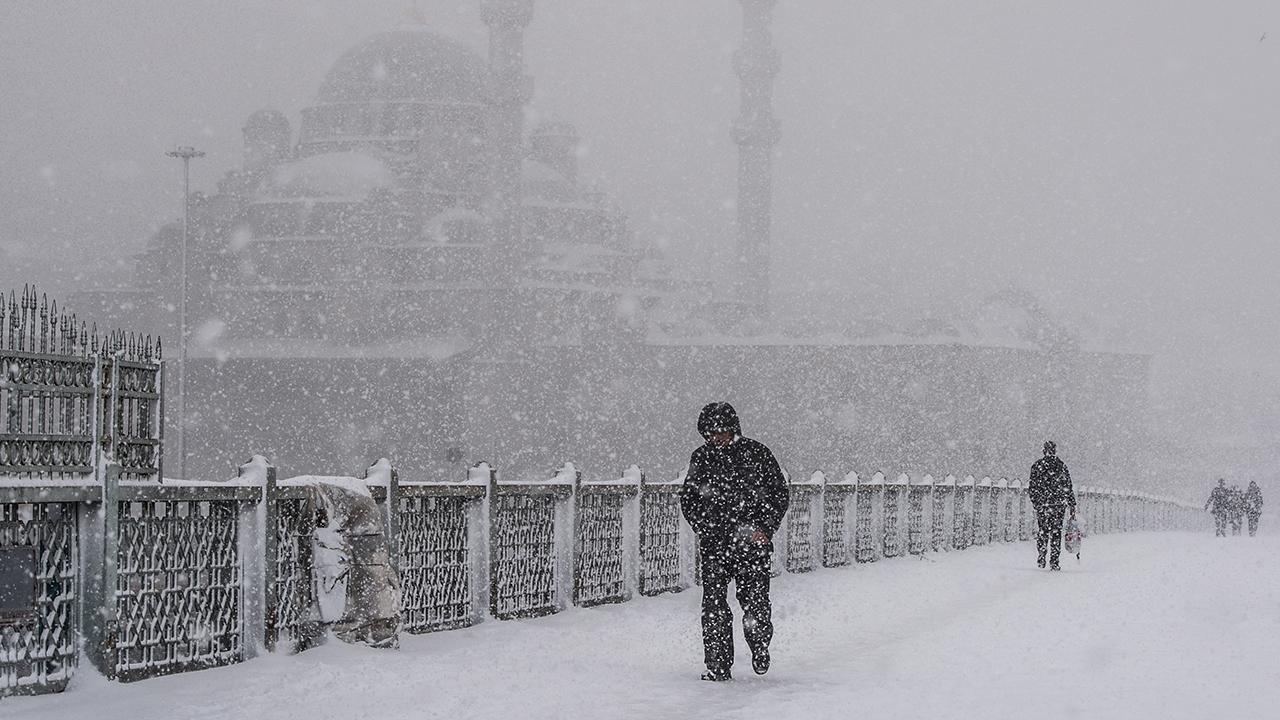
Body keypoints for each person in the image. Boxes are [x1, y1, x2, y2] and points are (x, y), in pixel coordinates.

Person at [679, 402, 789, 682]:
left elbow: (778, 494)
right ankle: (717, 666)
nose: (716, 437)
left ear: (733, 429)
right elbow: (689, 499)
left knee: (755, 602)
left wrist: (765, 528)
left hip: (752, 546)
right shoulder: (701, 458)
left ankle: (759, 645)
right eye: (710, 433)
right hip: (715, 546)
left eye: (722, 432)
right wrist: (704, 527)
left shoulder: (757, 454)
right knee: (714, 606)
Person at [1028, 440, 1076, 571]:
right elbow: (1068, 486)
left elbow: (1032, 487)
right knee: (1056, 533)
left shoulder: (1037, 466)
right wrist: (1072, 504)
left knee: (1043, 530)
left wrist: (1036, 502)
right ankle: (1054, 561)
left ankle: (1042, 554)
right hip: (1058, 505)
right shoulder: (1061, 466)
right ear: (1055, 451)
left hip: (1043, 505)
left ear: (1044, 450)